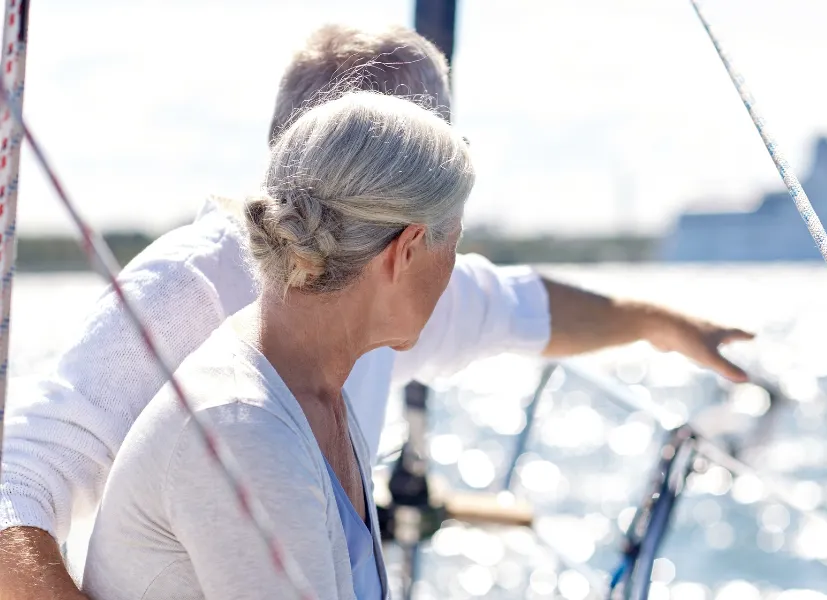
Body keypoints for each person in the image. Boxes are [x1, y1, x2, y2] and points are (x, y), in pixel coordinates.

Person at [0, 24, 752, 600]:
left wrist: (665, 325)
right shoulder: (195, 299)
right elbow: (16, 487)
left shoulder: (340, 317)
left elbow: (522, 305)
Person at [84, 90, 470, 600]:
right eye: (455, 245)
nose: (454, 267)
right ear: (408, 250)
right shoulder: (246, 425)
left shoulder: (307, 387)